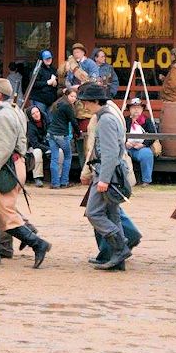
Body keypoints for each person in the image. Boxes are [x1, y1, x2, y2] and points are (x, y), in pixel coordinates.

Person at [0, 85, 51, 268]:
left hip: (7, 168)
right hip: (11, 165)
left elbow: (3, 147)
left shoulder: (1, 117)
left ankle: (38, 244)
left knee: (5, 213)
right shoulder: (10, 111)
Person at [80, 93, 141, 271]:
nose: (84, 105)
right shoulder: (108, 116)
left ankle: (120, 247)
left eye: (86, 101)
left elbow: (109, 153)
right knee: (113, 215)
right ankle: (118, 258)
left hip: (107, 173)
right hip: (112, 172)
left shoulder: (105, 120)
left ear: (95, 101)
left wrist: (104, 179)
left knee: (94, 213)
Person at [47, 88, 79, 189]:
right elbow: (73, 121)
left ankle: (55, 183)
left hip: (51, 133)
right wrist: (78, 132)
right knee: (68, 157)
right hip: (61, 134)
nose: (73, 98)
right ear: (67, 95)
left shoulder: (57, 103)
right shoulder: (67, 106)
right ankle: (64, 181)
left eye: (75, 97)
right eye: (72, 96)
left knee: (54, 158)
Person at [124, 98, 157, 186]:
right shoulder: (124, 120)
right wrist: (125, 143)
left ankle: (146, 180)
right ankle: (123, 180)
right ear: (129, 109)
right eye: (133, 107)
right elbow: (118, 134)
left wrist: (143, 145)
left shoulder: (147, 121)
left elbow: (152, 135)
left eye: (138, 108)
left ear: (142, 109)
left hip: (141, 148)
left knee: (147, 154)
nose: (136, 109)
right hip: (126, 148)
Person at [29, 49, 58, 120]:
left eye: (50, 58)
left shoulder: (53, 69)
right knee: (40, 119)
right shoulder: (37, 69)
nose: (48, 60)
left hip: (51, 100)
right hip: (39, 99)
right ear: (42, 59)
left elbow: (56, 82)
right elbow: (33, 83)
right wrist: (47, 82)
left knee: (50, 121)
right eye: (46, 58)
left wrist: (56, 82)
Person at [26, 104, 48, 187]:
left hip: (46, 144)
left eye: (37, 112)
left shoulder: (45, 120)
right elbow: (34, 144)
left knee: (59, 151)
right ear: (30, 116)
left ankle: (59, 178)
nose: (36, 114)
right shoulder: (30, 126)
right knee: (37, 152)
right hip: (33, 146)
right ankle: (37, 178)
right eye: (33, 113)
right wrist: (47, 149)